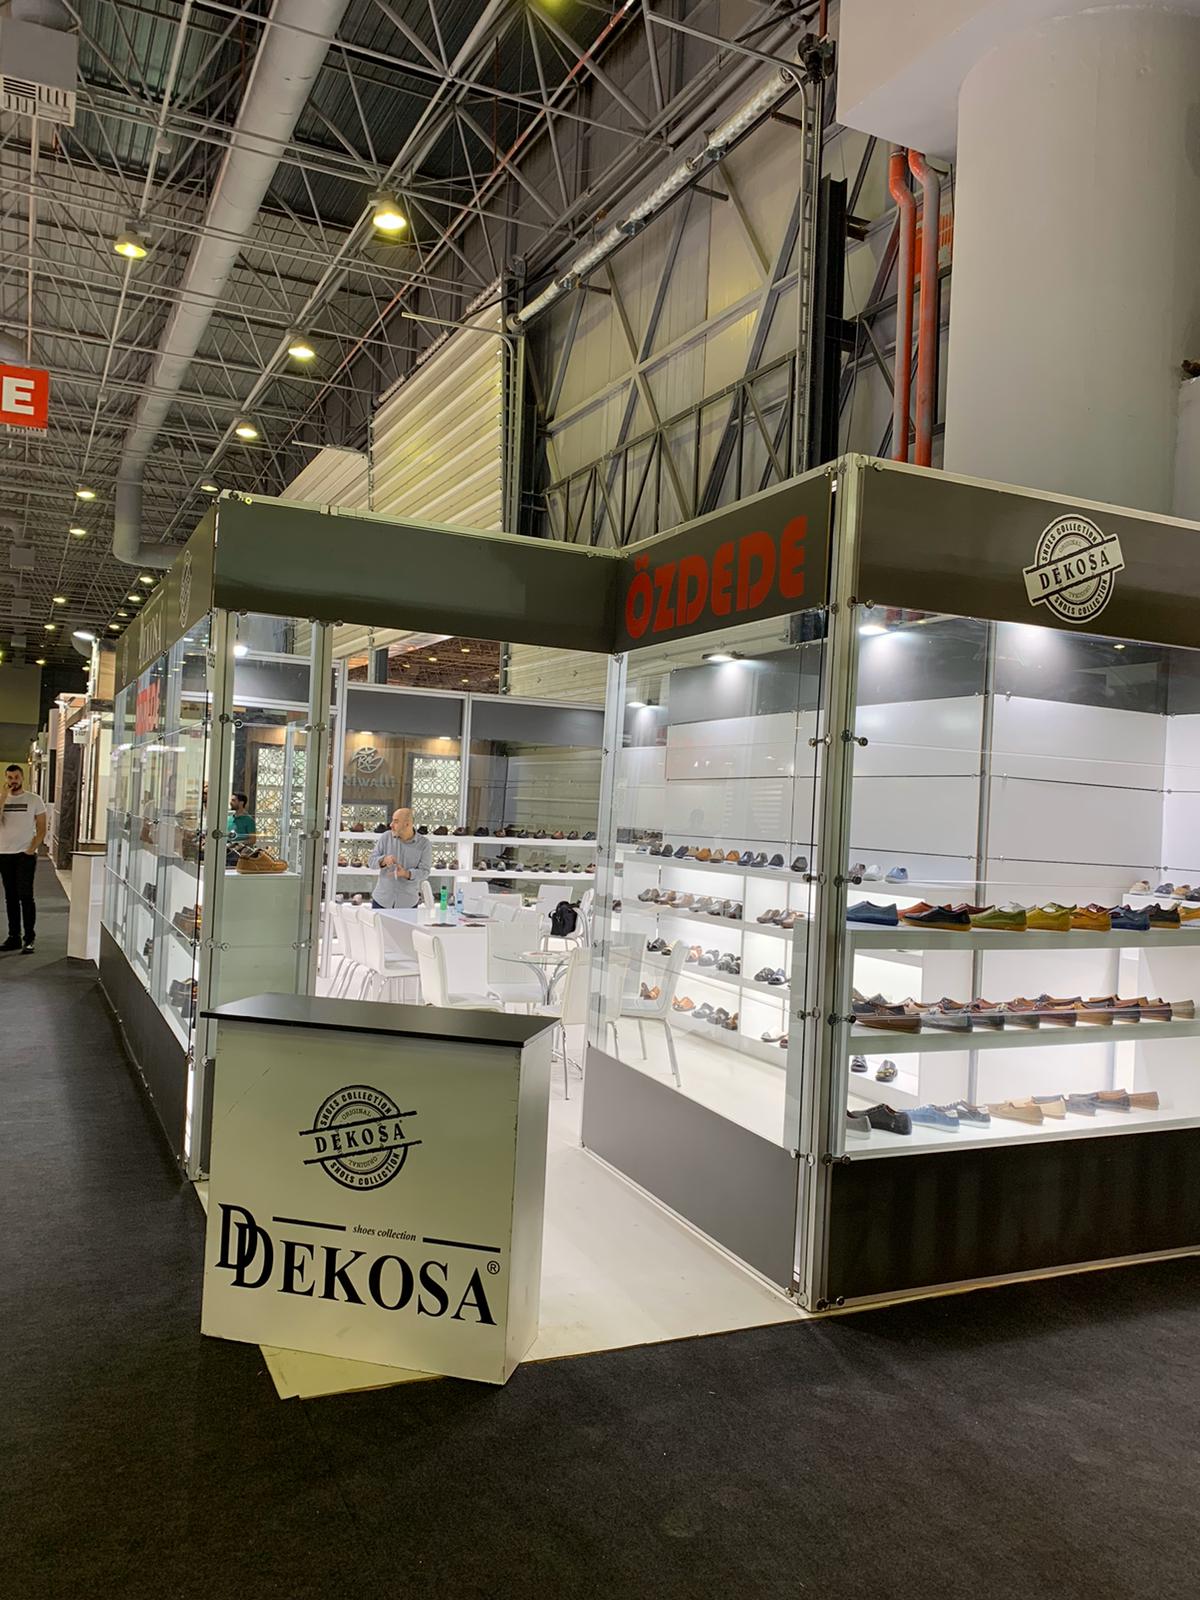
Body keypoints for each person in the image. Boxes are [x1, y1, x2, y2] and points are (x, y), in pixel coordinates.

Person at [1, 763, 47, 953]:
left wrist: (31, 849)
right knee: (10, 897)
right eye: (10, 778)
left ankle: (29, 938)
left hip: (25, 855)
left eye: (16, 777)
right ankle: (14, 937)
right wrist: (3, 798)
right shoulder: (2, 799)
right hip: (4, 854)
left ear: (22, 778)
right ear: (6, 778)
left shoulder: (34, 800)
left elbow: (42, 828)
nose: (13, 781)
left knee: (25, 896)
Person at [368, 807, 431, 910]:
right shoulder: (386, 837)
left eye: (396, 821)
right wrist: (383, 860)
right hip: (381, 901)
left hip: (408, 903)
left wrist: (406, 874)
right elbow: (371, 861)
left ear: (407, 824)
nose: (391, 825)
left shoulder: (424, 844)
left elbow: (425, 872)